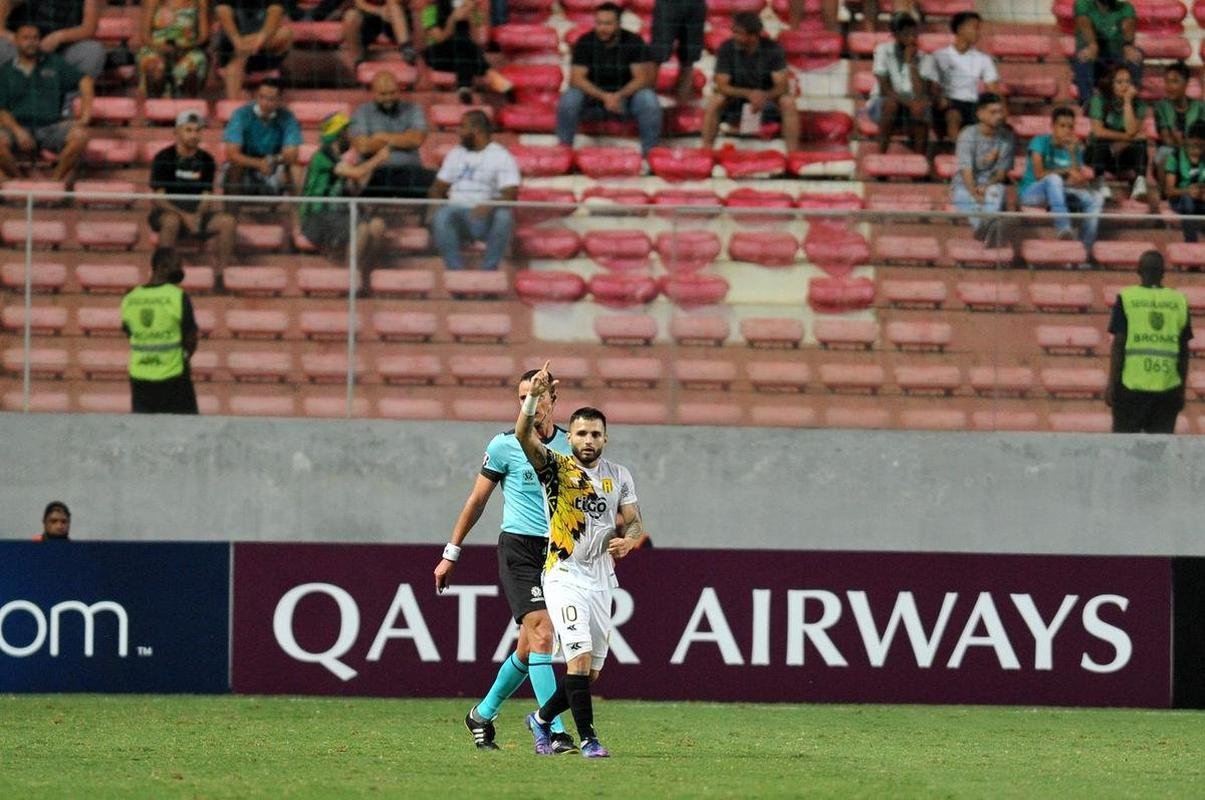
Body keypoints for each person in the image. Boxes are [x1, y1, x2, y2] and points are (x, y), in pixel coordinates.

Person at [434, 368, 577, 754]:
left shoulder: (572, 445)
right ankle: (555, 729)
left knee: (530, 649)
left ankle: (482, 714)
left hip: (558, 552)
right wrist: (451, 553)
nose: (527, 402)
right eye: (521, 397)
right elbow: (477, 501)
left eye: (536, 395)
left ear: (553, 399)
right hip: (519, 550)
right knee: (544, 632)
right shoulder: (503, 446)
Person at [516, 364, 647, 760]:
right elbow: (523, 434)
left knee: (589, 674)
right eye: (581, 433)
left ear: (605, 438)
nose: (588, 440)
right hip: (564, 575)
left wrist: (631, 541)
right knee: (578, 658)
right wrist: (535, 397)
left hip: (601, 579)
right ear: (568, 437)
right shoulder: (555, 467)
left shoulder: (618, 475)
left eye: (595, 434)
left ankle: (540, 719)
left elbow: (636, 521)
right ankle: (589, 739)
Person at [556, 2, 661, 158]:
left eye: (608, 24)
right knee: (570, 97)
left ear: (618, 24)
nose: (602, 28)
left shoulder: (633, 41)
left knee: (648, 99)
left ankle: (650, 156)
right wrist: (604, 96)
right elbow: (576, 79)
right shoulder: (585, 42)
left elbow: (642, 79)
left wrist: (618, 96)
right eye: (599, 23)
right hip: (593, 101)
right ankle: (564, 152)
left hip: (625, 100)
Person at [1106, 250, 1192, 434]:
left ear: (1138, 271)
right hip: (1167, 389)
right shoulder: (1178, 301)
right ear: (1163, 272)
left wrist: (1112, 384)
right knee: (1159, 455)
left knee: (1124, 450)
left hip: (1131, 388)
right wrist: (1182, 389)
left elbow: (1119, 344)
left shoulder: (1127, 298)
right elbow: (1184, 352)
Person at [0, 21, 92, 183]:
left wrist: (85, 115)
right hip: (17, 126)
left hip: (51, 126)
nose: (31, 42)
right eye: (26, 38)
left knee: (81, 135)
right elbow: (2, 110)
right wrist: (17, 131)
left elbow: (85, 80)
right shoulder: (5, 71)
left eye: (35, 38)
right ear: (15, 40)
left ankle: (54, 183)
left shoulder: (54, 63)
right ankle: (19, 181)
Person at [428, 110, 518, 272]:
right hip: (457, 215)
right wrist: (435, 205)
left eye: (463, 127)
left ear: (477, 130)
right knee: (442, 215)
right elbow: (437, 188)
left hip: (485, 218)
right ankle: (456, 273)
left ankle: (489, 271)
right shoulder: (456, 154)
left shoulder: (501, 156)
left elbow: (511, 194)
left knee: (504, 216)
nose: (459, 132)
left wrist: (489, 205)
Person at [299, 112, 391, 270]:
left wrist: (367, 165)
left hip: (339, 215)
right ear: (339, 134)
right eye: (347, 131)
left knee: (378, 226)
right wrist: (379, 158)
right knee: (361, 228)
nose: (350, 136)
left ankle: (362, 272)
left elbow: (355, 186)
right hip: (317, 217)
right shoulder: (324, 155)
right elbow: (356, 173)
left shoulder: (339, 159)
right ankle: (350, 278)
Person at [150, 111, 237, 276]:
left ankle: (222, 274)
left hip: (196, 214)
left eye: (197, 130)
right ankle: (162, 275)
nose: (194, 135)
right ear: (177, 132)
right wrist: (185, 216)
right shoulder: (163, 157)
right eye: (188, 130)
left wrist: (197, 215)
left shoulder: (206, 160)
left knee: (228, 222)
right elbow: (159, 198)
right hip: (168, 212)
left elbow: (206, 195)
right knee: (171, 221)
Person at [701, 12, 800, 153]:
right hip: (735, 101)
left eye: (740, 34)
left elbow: (782, 85)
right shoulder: (727, 48)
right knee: (715, 100)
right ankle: (706, 151)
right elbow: (722, 85)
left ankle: (793, 154)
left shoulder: (773, 49)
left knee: (788, 102)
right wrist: (749, 94)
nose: (735, 37)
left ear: (754, 36)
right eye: (734, 32)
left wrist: (764, 96)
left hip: (767, 101)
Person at [120, 247, 199, 415]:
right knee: (185, 431)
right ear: (162, 267)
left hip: (140, 376)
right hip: (174, 377)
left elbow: (130, 333)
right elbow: (191, 337)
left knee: (145, 432)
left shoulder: (131, 298)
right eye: (176, 266)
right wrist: (183, 357)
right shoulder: (177, 296)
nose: (180, 271)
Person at [1018, 106, 1107, 248]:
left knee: (1096, 197)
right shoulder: (1039, 142)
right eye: (1062, 126)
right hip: (1032, 193)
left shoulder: (1074, 147)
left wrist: (1072, 154)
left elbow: (1077, 181)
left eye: (1070, 127)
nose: (1067, 130)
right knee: (1054, 179)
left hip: (1059, 193)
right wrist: (1066, 170)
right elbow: (1039, 174)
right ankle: (1063, 228)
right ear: (1053, 126)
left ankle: (1085, 249)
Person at [350, 71, 436, 199]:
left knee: (438, 181)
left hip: (409, 171)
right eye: (383, 94)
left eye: (392, 92)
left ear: (399, 90)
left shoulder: (413, 109)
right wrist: (403, 139)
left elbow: (416, 140)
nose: (389, 98)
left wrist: (380, 136)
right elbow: (363, 147)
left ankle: (427, 219)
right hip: (375, 171)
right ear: (373, 92)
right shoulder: (362, 112)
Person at [221, 78, 303, 200]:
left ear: (279, 100)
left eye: (270, 99)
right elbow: (232, 154)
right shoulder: (241, 115)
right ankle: (232, 216)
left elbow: (292, 154)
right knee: (234, 167)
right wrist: (258, 164)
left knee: (295, 169)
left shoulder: (287, 118)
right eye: (261, 97)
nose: (264, 102)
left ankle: (297, 217)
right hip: (246, 166)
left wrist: (272, 160)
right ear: (256, 96)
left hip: (273, 166)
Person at [950, 93, 1014, 246]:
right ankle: (986, 228)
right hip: (966, 184)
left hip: (990, 183)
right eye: (993, 112)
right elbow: (966, 171)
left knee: (995, 192)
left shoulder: (1007, 137)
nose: (999, 116)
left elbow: (1001, 173)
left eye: (1000, 112)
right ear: (980, 114)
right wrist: (976, 192)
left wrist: (986, 186)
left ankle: (984, 228)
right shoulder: (967, 134)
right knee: (963, 196)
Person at [867, 13, 934, 155]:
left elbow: (920, 93)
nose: (911, 38)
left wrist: (911, 63)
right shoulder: (883, 50)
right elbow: (885, 89)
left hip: (912, 103)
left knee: (922, 109)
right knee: (891, 104)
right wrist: (911, 104)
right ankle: (881, 155)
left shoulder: (924, 57)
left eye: (914, 34)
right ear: (896, 35)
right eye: (906, 34)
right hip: (882, 103)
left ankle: (919, 163)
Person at [421, 0, 512, 104]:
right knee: (462, 42)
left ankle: (464, 88)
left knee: (463, 42)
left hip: (460, 56)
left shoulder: (471, 10)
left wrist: (470, 18)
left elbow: (478, 42)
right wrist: (453, 19)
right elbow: (440, 38)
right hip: (437, 54)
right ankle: (489, 73)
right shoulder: (430, 10)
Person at [930, 12, 1002, 144]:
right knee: (953, 116)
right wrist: (939, 99)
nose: (978, 32)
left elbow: (993, 90)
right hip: (948, 103)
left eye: (978, 28)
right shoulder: (940, 56)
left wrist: (1001, 111)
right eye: (974, 27)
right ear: (960, 29)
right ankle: (959, 156)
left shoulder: (983, 59)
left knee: (992, 119)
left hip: (971, 105)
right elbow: (933, 87)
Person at [1086, 63, 1149, 201]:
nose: (1124, 86)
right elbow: (1098, 131)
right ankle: (1099, 181)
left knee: (1141, 143)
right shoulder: (1099, 100)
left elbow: (1132, 129)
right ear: (1110, 83)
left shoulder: (1138, 103)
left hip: (1124, 155)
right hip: (1099, 154)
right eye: (1119, 82)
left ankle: (1140, 183)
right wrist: (1126, 137)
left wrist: (1127, 102)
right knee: (1101, 142)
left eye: (1128, 82)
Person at [0, 0, 105, 79]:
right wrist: (18, 40)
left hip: (63, 51)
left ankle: (69, 105)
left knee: (93, 51)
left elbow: (89, 28)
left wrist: (59, 37)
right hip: (19, 52)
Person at [214, 0, 293, 101]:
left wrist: (259, 41)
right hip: (232, 48)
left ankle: (245, 51)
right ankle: (233, 106)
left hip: (264, 47)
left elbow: (275, 13)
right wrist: (237, 42)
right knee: (238, 59)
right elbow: (223, 12)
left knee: (286, 33)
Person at [1072, 0, 1141, 111]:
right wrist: (1092, 44)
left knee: (1136, 56)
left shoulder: (1126, 8)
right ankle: (1088, 103)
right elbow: (1084, 22)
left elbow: (1129, 25)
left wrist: (1128, 45)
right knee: (1083, 57)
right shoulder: (1082, 4)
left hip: (1116, 59)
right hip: (1095, 60)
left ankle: (1130, 100)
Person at [137, 0, 209, 98]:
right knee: (154, 67)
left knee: (190, 69)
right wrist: (160, 48)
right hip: (155, 47)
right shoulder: (152, 2)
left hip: (188, 48)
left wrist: (185, 47)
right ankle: (155, 105)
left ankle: (187, 105)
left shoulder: (200, 2)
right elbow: (145, 36)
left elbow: (203, 37)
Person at [1153, 62, 1201, 192]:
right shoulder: (1161, 106)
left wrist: (1184, 141)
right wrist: (1183, 143)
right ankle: (1167, 194)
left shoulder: (1199, 106)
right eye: (1167, 82)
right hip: (1171, 149)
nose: (1169, 86)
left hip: (1198, 148)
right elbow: (1166, 138)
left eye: (1174, 81)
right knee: (1163, 153)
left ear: (1186, 84)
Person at [648, 0, 704, 105]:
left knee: (689, 58)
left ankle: (682, 108)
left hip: (696, 5)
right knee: (657, 56)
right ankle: (648, 105)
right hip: (669, 4)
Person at [1162, 122, 1205, 243]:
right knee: (1188, 201)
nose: (1197, 149)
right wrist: (1188, 191)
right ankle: (1191, 244)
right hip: (1180, 199)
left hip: (1201, 200)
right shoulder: (1174, 157)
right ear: (1187, 141)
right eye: (1194, 144)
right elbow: (1169, 191)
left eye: (1201, 146)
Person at [344, 0, 416, 69]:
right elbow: (359, 4)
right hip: (372, 18)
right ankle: (358, 62)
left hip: (398, 20)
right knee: (350, 16)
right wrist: (380, 11)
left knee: (393, 5)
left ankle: (406, 48)